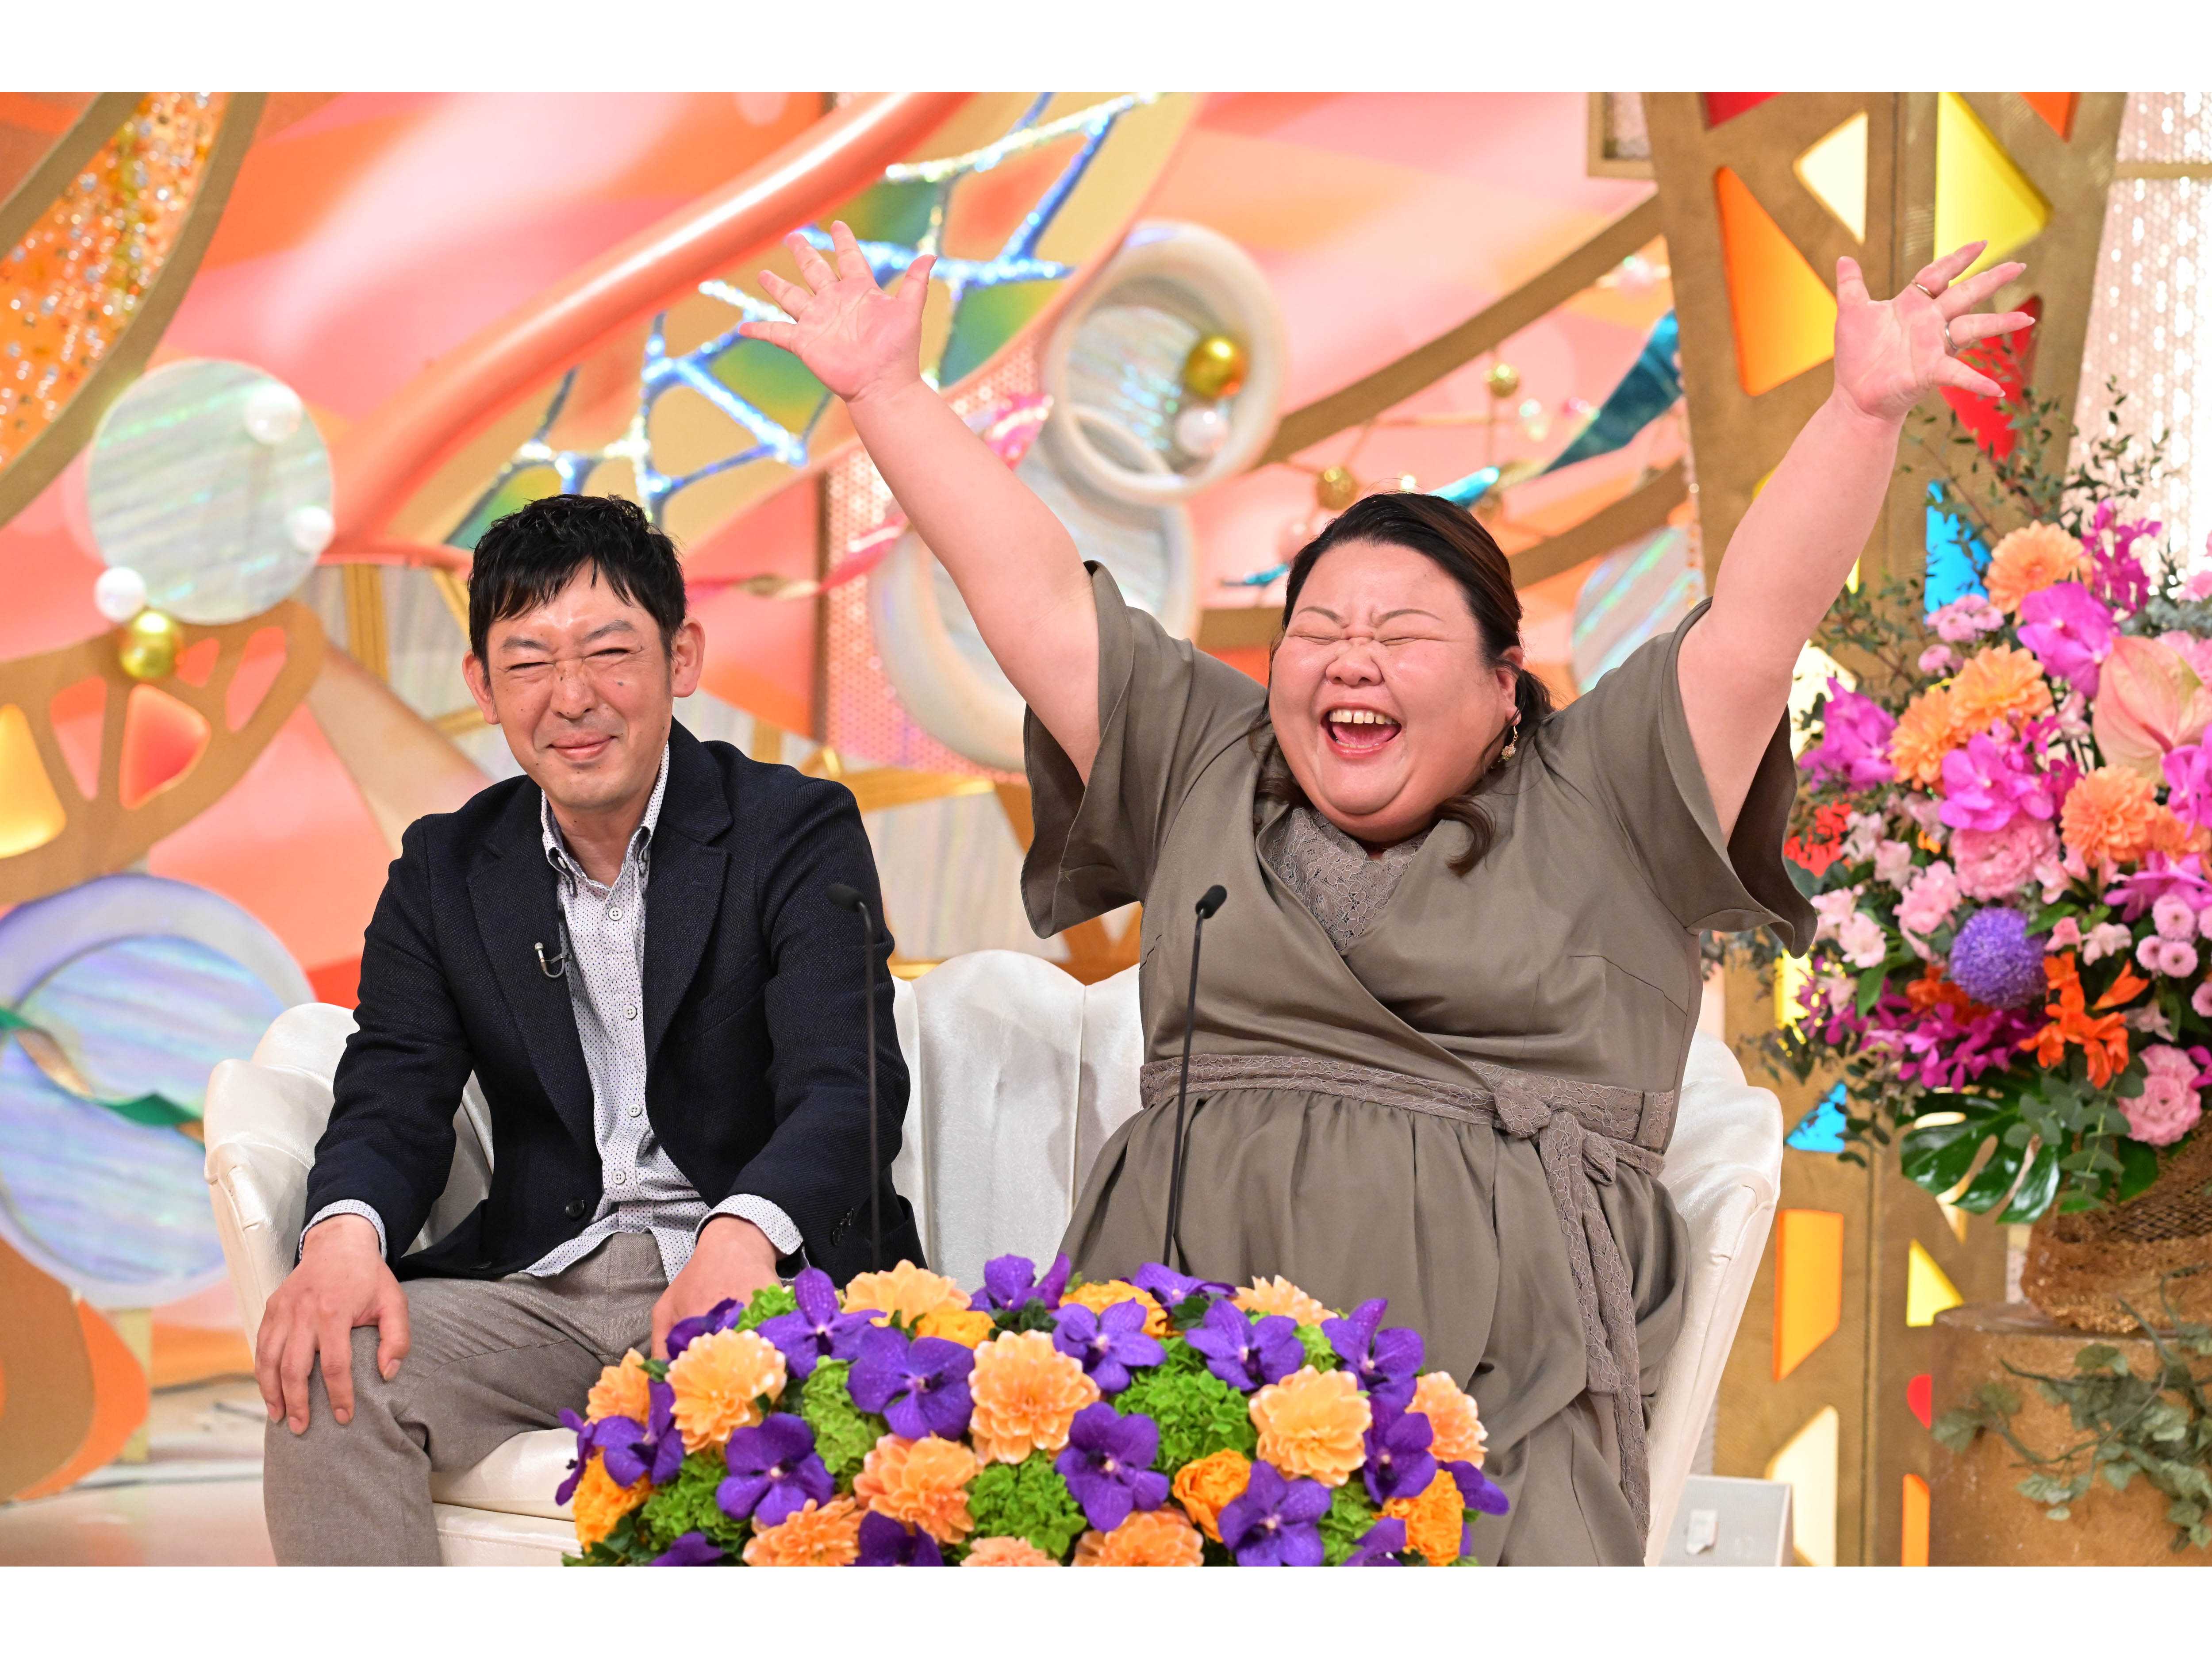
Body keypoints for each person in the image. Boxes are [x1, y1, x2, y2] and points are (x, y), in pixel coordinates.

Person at [740, 223, 2028, 1564]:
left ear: (1503, 682)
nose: (1350, 659)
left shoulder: (1606, 792)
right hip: (1179, 1367)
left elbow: (1756, 625)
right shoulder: (1208, 758)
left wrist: (1859, 413)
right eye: (1317, 630)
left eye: (1401, 633)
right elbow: (1035, 600)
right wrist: (886, 392)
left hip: (1493, 1388)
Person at [254, 492, 918, 1565]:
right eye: (528, 663)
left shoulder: (794, 831)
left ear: (680, 658)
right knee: (334, 1374)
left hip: (759, 1274)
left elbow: (848, 1087)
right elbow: (394, 1092)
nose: (572, 699)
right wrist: (341, 1235)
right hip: (549, 1282)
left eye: (610, 653)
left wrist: (742, 1234)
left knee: (791, 1453)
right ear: (482, 687)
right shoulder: (444, 870)